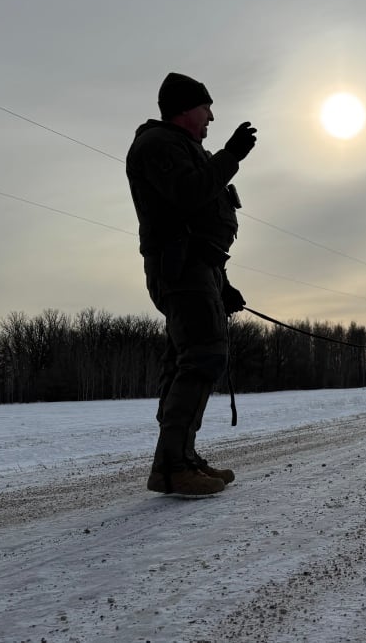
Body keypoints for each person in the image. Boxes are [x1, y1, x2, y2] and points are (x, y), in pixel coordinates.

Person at [126, 72, 257, 497]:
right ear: (185, 109)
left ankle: (181, 457)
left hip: (197, 269)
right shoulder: (158, 145)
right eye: (206, 108)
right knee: (201, 357)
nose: (212, 117)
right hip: (179, 269)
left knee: (191, 359)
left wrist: (223, 283)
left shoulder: (184, 148)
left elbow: (199, 222)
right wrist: (231, 155)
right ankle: (171, 467)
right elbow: (187, 196)